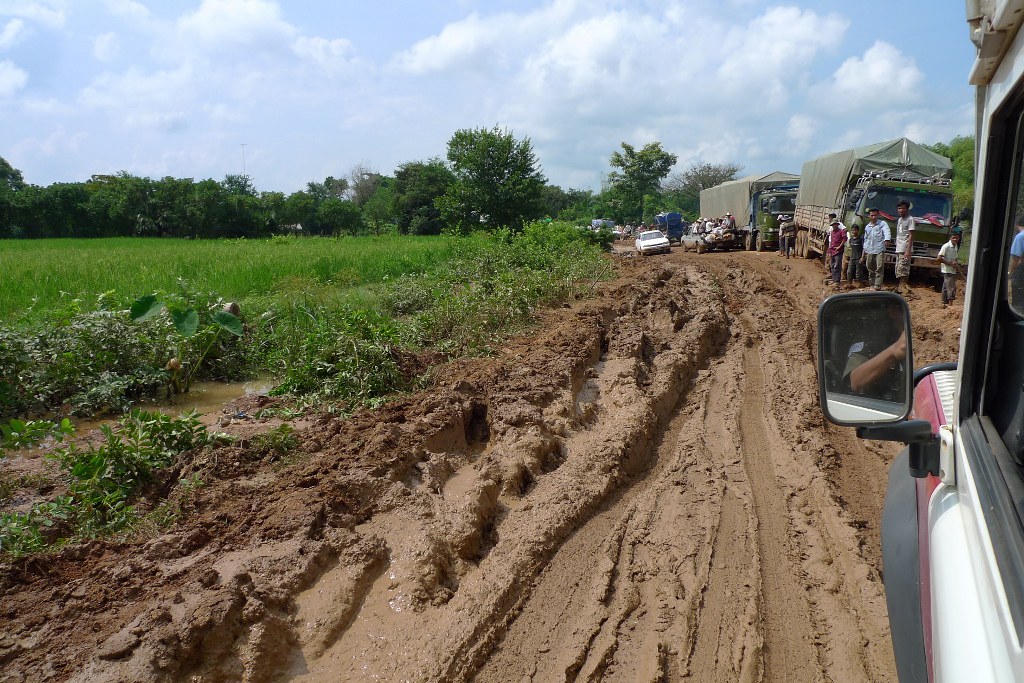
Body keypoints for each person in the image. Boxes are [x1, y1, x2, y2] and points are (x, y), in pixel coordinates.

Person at [844, 300, 907, 401]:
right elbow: (855, 382)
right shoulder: (874, 338)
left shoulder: (927, 341)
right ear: (893, 310)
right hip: (881, 405)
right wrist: (894, 351)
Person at [861, 208, 892, 291]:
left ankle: (877, 285)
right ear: (869, 216)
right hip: (870, 250)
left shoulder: (882, 224)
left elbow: (887, 231)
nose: (873, 217)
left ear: (878, 215)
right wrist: (864, 251)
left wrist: (887, 239)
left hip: (879, 249)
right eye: (872, 215)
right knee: (869, 267)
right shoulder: (867, 227)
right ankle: (871, 283)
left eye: (875, 215)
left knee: (879, 267)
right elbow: (866, 239)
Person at [894, 200, 915, 296]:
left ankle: (903, 287)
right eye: (899, 208)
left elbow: (911, 235)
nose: (900, 210)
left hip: (905, 248)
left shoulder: (910, 219)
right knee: (898, 268)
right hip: (899, 247)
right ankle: (900, 286)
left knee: (904, 268)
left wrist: (908, 250)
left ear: (907, 209)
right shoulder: (899, 220)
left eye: (902, 208)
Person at [936, 231, 962, 307]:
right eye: (953, 238)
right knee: (951, 287)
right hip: (947, 270)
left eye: (957, 238)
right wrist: (949, 263)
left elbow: (955, 258)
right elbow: (939, 258)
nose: (955, 239)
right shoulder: (946, 246)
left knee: (945, 286)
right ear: (950, 238)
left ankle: (944, 303)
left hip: (952, 269)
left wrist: (955, 263)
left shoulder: (956, 246)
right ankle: (950, 305)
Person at [826, 216, 847, 286]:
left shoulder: (841, 231)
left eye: (834, 224)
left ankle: (837, 281)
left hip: (838, 251)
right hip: (832, 251)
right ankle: (834, 280)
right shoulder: (832, 232)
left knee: (837, 266)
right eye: (832, 225)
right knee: (832, 266)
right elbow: (831, 242)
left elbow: (844, 239)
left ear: (837, 225)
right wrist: (829, 251)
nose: (833, 226)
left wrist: (839, 247)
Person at [1010, 215, 1024, 309]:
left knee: (1019, 302)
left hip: (1021, 272)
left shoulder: (1020, 236)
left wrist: (1010, 271)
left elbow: (1015, 259)